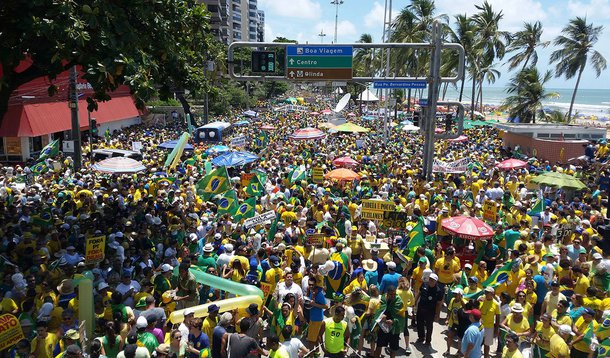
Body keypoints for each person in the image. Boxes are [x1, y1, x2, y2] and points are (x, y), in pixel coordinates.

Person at [373, 286, 404, 358]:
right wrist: (381, 316)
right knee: (379, 345)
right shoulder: (383, 299)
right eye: (391, 294)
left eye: (394, 294)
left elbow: (401, 317)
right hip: (383, 326)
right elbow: (378, 311)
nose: (393, 296)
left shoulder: (399, 302)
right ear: (387, 294)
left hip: (394, 329)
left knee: (393, 348)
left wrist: (393, 321)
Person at [414, 273, 443, 346]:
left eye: (432, 280)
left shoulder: (438, 291)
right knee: (419, 323)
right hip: (421, 308)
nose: (430, 281)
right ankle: (421, 337)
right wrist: (414, 302)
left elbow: (439, 304)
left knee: (429, 326)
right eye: (430, 279)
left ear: (436, 281)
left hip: (430, 311)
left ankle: (428, 341)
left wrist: (437, 315)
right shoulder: (424, 285)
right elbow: (419, 293)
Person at [480, 286, 501, 358]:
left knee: (487, 344)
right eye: (485, 292)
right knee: (478, 342)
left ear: (492, 294)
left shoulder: (496, 304)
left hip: (489, 327)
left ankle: (486, 356)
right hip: (480, 325)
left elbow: (498, 317)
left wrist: (496, 329)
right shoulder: (482, 299)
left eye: (487, 292)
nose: (485, 294)